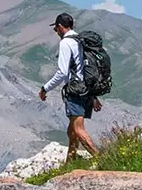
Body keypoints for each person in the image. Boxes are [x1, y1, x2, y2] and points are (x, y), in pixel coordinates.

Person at [39, 12, 100, 162]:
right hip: (87, 89)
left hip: (74, 90)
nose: (56, 32)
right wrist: (93, 96)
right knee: (71, 130)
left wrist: (45, 88)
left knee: (78, 129)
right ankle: (70, 163)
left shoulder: (65, 43)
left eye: (56, 29)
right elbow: (86, 69)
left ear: (60, 27)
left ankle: (102, 159)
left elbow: (62, 72)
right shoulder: (80, 41)